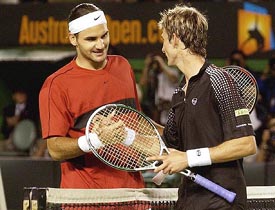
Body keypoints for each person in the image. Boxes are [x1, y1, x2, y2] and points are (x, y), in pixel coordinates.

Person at [147, 4, 257, 210]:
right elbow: (170, 142)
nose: (162, 48)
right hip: (189, 202)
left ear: (175, 39)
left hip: (221, 203)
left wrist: (188, 158)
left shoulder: (220, 80)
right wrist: (132, 129)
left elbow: (246, 144)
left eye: (163, 39)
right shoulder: (180, 92)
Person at [39, 3, 144, 189]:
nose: (101, 45)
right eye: (91, 39)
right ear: (73, 39)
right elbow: (54, 149)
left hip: (133, 195)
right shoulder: (56, 84)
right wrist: (96, 140)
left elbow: (139, 122)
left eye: (104, 35)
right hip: (86, 198)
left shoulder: (123, 66)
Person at [139, 53, 180, 125]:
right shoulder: (153, 73)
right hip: (159, 106)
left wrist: (161, 63)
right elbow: (142, 83)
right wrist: (147, 66)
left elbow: (174, 78)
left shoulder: (172, 70)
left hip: (172, 105)